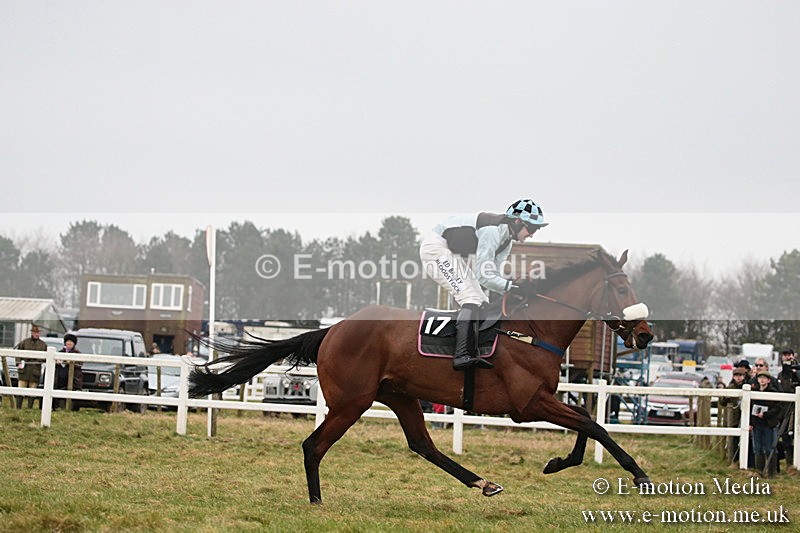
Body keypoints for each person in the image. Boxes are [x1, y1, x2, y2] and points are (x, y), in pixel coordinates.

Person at [419, 199, 548, 370]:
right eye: (531, 228)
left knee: (481, 300)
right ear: (517, 222)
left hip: (450, 252)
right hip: (435, 249)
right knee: (471, 297)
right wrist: (512, 286)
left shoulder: (506, 242)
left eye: (536, 229)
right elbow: (483, 276)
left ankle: (474, 349)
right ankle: (462, 354)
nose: (532, 234)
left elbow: (493, 277)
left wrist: (513, 290)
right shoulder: (492, 231)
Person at [749, 370, 782, 478]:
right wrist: (751, 422)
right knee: (757, 448)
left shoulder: (774, 392)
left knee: (769, 448)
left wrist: (766, 414)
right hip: (757, 424)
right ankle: (759, 472)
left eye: (764, 378)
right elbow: (750, 408)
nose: (761, 380)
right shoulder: (753, 391)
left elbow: (778, 408)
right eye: (760, 378)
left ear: (768, 380)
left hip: (769, 424)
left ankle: (772, 474)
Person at [14, 324, 47, 408]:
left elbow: (45, 357)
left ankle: (29, 407)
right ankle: (18, 407)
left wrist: (39, 361)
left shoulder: (43, 345)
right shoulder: (24, 342)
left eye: (38, 332)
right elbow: (18, 353)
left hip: (35, 370)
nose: (36, 334)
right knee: (21, 389)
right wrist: (18, 363)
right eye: (34, 332)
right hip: (24, 370)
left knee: (32, 391)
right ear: (32, 333)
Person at [719, 367, 747, 463]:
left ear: (744, 376)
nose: (738, 378)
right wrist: (726, 398)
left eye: (740, 376)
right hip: (734, 418)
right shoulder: (730, 387)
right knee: (733, 440)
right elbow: (722, 402)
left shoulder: (748, 387)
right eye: (736, 376)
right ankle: (734, 460)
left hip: (744, 416)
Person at [54, 333, 82, 410]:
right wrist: (56, 362)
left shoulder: (77, 353)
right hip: (60, 378)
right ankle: (58, 406)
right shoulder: (60, 352)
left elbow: (80, 364)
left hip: (72, 379)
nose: (69, 343)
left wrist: (71, 362)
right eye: (68, 341)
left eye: (71, 342)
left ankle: (69, 407)